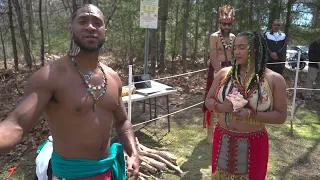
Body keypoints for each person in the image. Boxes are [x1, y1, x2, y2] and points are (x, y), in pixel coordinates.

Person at [0, 4, 139, 180]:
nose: (90, 26)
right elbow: (16, 124)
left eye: (97, 22)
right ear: (71, 31)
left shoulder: (113, 78)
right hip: (68, 174)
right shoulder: (49, 76)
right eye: (82, 21)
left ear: (105, 32)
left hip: (106, 172)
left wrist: (133, 152)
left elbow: (123, 121)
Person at [205, 31, 287, 179]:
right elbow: (208, 100)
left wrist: (251, 114)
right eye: (235, 47)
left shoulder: (275, 79)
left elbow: (281, 116)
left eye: (242, 47)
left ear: (256, 49)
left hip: (254, 144)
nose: (236, 52)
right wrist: (221, 107)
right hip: (222, 139)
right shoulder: (224, 73)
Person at [203, 5, 236, 144]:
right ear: (220, 23)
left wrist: (234, 72)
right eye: (224, 23)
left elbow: (235, 55)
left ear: (232, 23)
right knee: (212, 100)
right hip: (217, 70)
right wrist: (221, 74)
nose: (226, 26)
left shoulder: (234, 37)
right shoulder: (214, 37)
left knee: (230, 100)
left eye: (228, 24)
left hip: (231, 69)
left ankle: (226, 128)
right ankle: (210, 132)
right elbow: (212, 56)